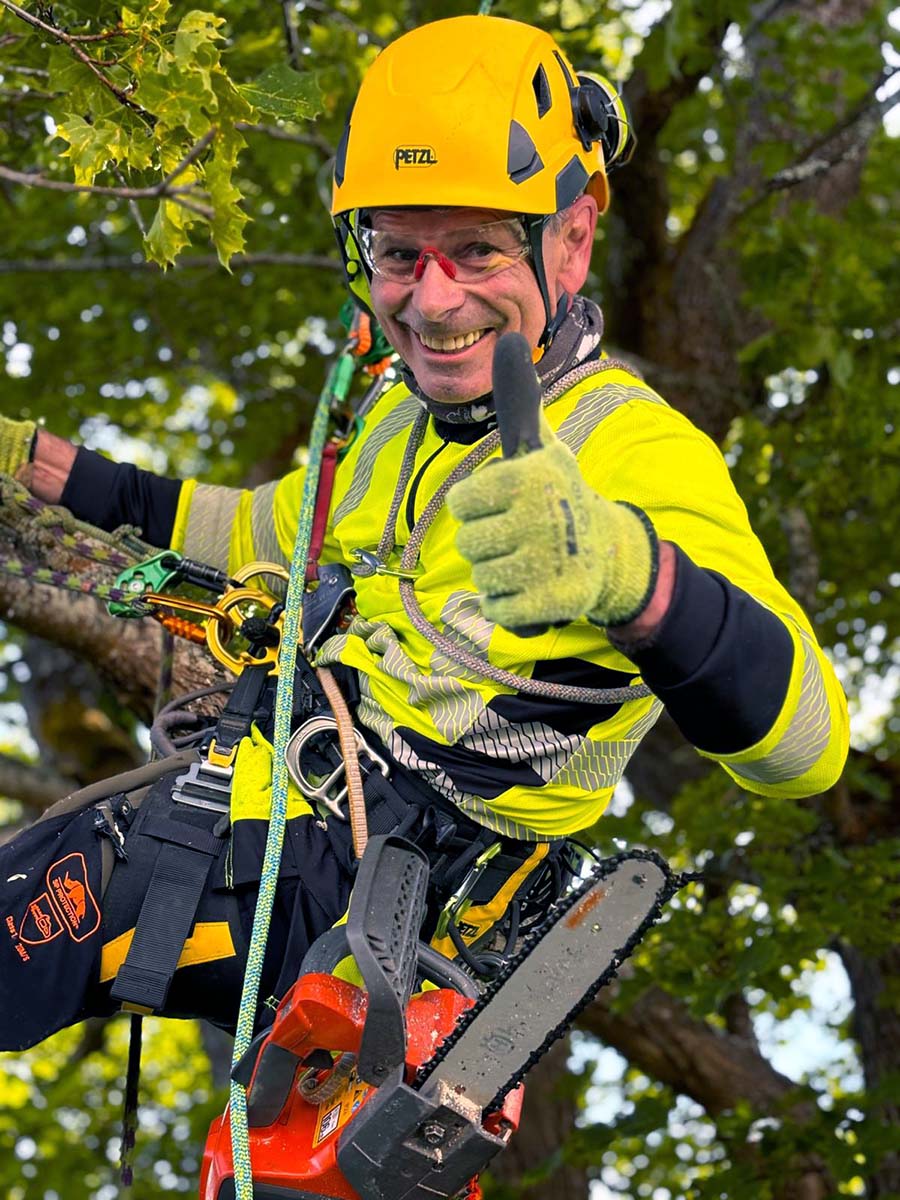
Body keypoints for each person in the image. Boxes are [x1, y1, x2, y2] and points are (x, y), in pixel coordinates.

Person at [0, 15, 848, 1053]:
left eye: (479, 250)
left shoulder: (631, 447)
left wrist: (631, 580)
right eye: (401, 252)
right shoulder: (400, 420)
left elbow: (807, 742)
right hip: (290, 796)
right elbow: (260, 527)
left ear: (571, 240)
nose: (434, 300)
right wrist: (32, 463)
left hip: (377, 860)